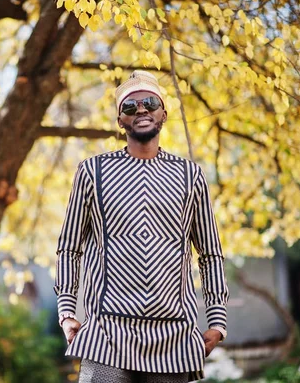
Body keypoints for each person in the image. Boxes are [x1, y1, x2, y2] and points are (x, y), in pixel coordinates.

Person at [53, 70, 229, 382]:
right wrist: (67, 311)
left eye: (149, 102)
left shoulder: (190, 176)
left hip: (173, 337)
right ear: (120, 121)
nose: (141, 110)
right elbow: (69, 247)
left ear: (164, 112)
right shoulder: (92, 173)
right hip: (106, 334)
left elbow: (210, 253)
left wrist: (217, 319)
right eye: (130, 107)